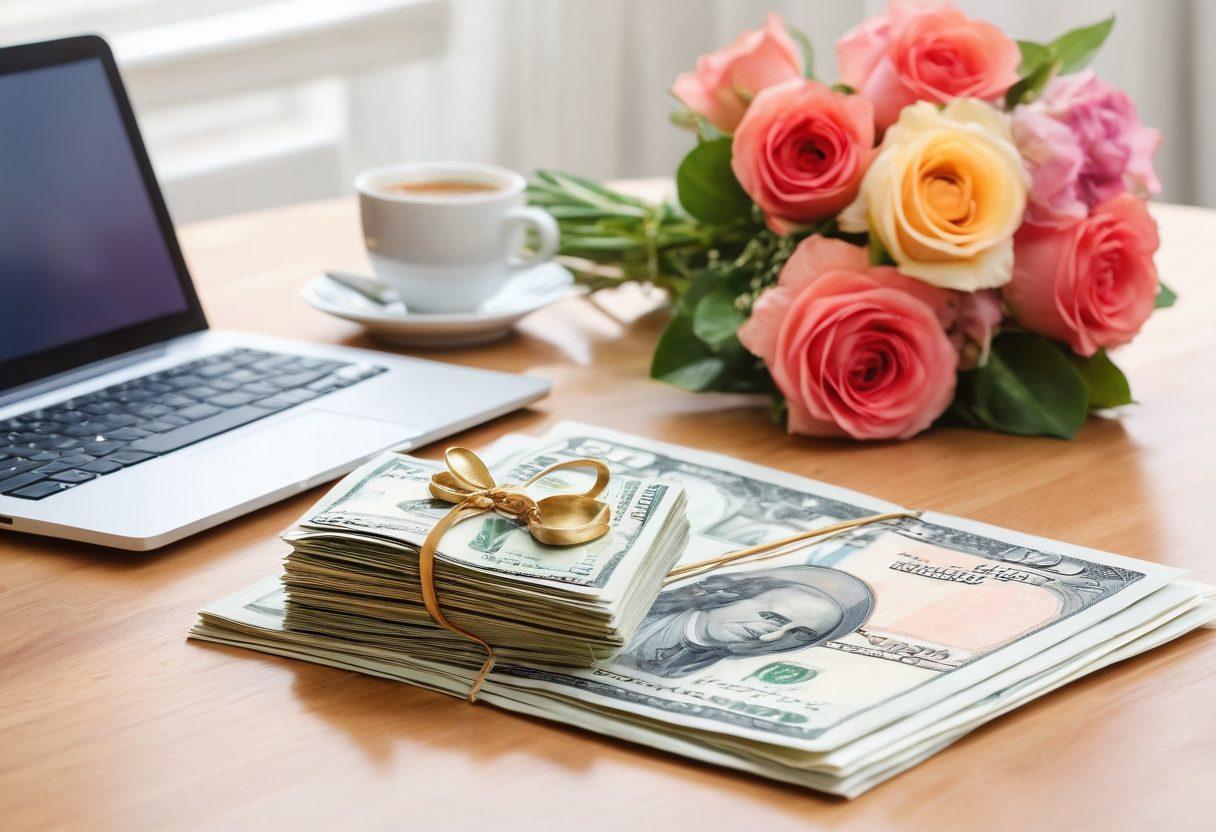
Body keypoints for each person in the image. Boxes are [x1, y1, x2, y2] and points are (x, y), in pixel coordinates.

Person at [618, 565, 875, 678]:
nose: (769, 638)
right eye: (772, 618)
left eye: (797, 634)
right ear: (734, 595)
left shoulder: (702, 667)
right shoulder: (635, 613)